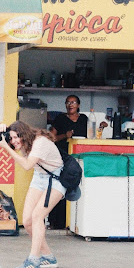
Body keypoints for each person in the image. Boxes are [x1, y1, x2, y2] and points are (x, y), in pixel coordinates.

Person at [0, 120, 64, 268]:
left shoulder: (40, 142)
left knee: (38, 216)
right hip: (40, 176)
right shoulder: (26, 140)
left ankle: (33, 261)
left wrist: (5, 147)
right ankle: (49, 257)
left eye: (17, 137)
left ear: (24, 134)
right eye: (11, 138)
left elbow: (27, 165)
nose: (14, 141)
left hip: (56, 179)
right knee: (28, 221)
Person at [47, 95, 88, 229]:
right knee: (59, 187)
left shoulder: (84, 119)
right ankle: (57, 222)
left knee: (74, 187)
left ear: (79, 105)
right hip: (61, 157)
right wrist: (65, 135)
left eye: (73, 102)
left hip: (78, 158)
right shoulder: (60, 119)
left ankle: (72, 222)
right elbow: (50, 138)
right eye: (68, 102)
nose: (70, 105)